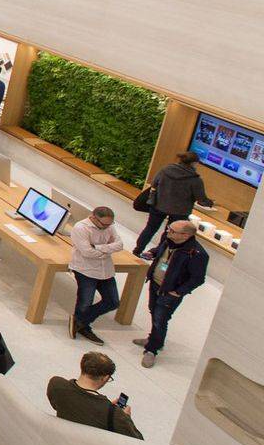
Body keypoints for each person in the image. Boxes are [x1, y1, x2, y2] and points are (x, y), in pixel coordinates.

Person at [133, 219, 208, 368]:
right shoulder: (169, 240)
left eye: (172, 231)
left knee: (160, 320)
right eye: (169, 229)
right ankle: (155, 340)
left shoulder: (197, 253)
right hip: (155, 283)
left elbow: (198, 278)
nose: (168, 232)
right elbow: (160, 250)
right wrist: (152, 253)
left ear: (185, 235)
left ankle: (152, 350)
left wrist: (178, 292)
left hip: (170, 292)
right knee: (154, 312)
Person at [135, 151, 214, 257]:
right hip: (180, 212)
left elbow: (154, 183)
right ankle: (158, 253)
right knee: (171, 233)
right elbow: (201, 198)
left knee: (150, 228)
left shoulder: (165, 170)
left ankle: (137, 250)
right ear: (194, 163)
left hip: (158, 205)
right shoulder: (195, 179)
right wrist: (210, 203)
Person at [47, 351, 143, 439]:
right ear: (105, 378)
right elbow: (137, 441)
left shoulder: (56, 385)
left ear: (82, 367)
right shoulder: (114, 414)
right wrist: (125, 418)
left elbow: (57, 405)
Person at [68, 206, 124, 346]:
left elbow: (120, 245)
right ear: (93, 218)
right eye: (103, 224)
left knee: (113, 302)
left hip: (106, 270)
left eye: (109, 224)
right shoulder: (81, 228)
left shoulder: (109, 227)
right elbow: (87, 252)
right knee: (85, 302)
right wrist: (107, 250)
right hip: (85, 270)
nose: (107, 227)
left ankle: (79, 321)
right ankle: (83, 326)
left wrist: (98, 248)